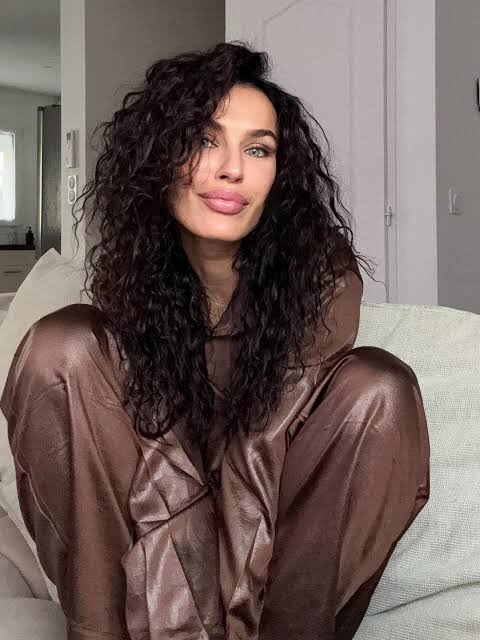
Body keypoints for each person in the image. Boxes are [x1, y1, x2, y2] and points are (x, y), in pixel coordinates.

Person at [0, 42, 429, 640]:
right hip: (144, 562)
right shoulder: (139, 274)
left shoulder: (319, 279)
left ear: (279, 174)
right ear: (160, 156)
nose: (232, 169)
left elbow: (255, 460)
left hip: (272, 552)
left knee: (379, 387)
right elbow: (150, 462)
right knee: (61, 345)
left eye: (258, 148)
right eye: (205, 139)